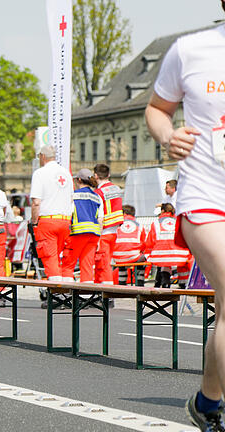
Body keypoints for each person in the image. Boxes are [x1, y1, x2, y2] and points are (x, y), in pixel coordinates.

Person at [145, 18, 225, 427]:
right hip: (207, 195)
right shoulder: (191, 49)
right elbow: (157, 109)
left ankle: (208, 402)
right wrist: (167, 135)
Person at [29, 145, 73, 281]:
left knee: (50, 257)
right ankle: (67, 289)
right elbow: (71, 199)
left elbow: (36, 202)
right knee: (62, 257)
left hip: (48, 221)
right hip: (65, 221)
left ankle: (57, 294)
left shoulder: (40, 173)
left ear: (42, 156)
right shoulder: (66, 173)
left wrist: (34, 222)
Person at [61, 169, 102, 283]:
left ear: (78, 180)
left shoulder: (73, 195)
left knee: (68, 264)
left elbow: (68, 213)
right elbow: (100, 219)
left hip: (78, 233)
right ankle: (87, 296)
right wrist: (99, 239)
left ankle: (65, 296)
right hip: (94, 235)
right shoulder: (97, 197)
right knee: (87, 265)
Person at [143, 203, 191, 288]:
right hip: (179, 254)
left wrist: (149, 254)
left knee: (164, 261)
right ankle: (183, 283)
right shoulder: (178, 221)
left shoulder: (156, 223)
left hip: (160, 255)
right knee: (181, 260)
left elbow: (150, 242)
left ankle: (165, 282)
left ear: (162, 211)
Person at [93, 163, 124, 284]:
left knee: (103, 263)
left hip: (104, 231)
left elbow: (99, 214)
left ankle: (107, 294)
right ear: (109, 174)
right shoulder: (116, 188)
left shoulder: (99, 192)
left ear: (96, 176)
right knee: (108, 261)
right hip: (115, 231)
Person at [112, 205, 147, 287]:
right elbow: (144, 243)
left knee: (122, 260)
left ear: (123, 213)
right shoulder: (139, 225)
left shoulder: (116, 225)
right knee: (142, 260)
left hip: (117, 257)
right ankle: (140, 283)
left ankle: (122, 283)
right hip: (133, 256)